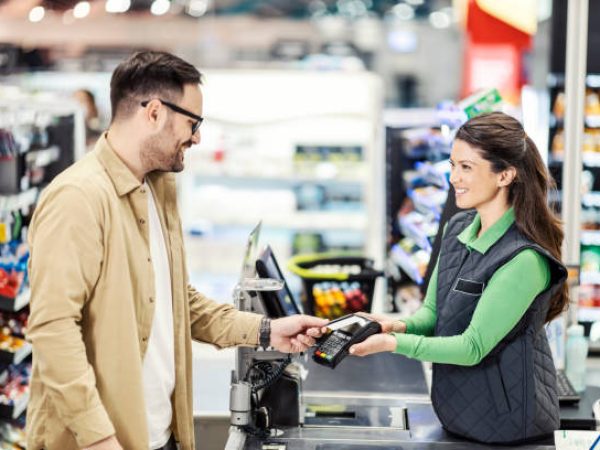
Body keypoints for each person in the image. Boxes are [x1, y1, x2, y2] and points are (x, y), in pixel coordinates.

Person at [25, 51, 327, 450]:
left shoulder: (158, 189)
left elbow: (174, 301)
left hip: (159, 435)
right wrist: (98, 438)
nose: (197, 137)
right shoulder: (78, 198)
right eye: (192, 122)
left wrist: (267, 331)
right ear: (153, 112)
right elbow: (52, 330)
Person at [350, 112, 568, 445]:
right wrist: (391, 325)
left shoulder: (524, 259)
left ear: (505, 175)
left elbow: (472, 347)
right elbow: (433, 315)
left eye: (466, 167)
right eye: (452, 165)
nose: (454, 178)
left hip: (506, 422)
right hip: (457, 412)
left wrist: (391, 344)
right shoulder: (457, 230)